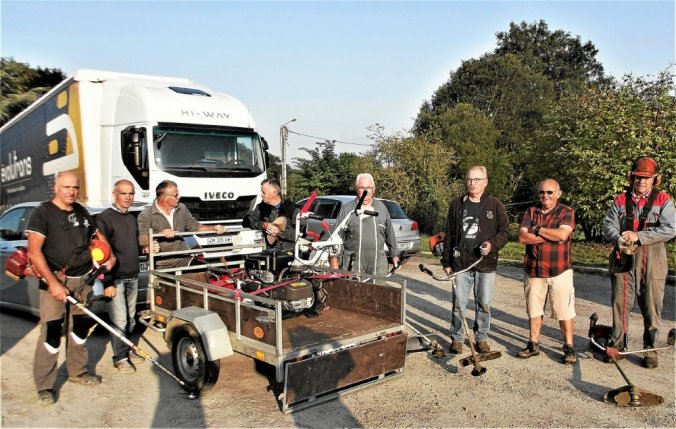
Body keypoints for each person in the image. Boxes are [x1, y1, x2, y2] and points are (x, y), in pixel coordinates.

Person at [26, 171, 117, 406]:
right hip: (56, 280)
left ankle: (78, 372)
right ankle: (45, 386)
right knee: (51, 333)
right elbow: (34, 253)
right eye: (66, 187)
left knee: (79, 329)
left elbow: (97, 235)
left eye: (75, 187)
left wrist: (110, 256)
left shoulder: (81, 212)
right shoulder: (42, 213)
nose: (72, 192)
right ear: (56, 188)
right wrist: (53, 283)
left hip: (83, 280)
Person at [602, 156, 675, 368]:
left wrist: (639, 236)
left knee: (652, 305)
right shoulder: (620, 200)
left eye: (646, 178)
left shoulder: (664, 200)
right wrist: (619, 239)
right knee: (620, 302)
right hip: (623, 254)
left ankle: (650, 350)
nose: (641, 181)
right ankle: (617, 345)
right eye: (638, 177)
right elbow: (608, 225)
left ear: (655, 179)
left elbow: (671, 229)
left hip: (653, 255)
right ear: (631, 178)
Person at [441, 166, 509, 355]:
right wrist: (446, 262)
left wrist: (491, 244)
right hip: (461, 264)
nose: (472, 183)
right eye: (469, 179)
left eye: (477, 179)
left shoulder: (495, 205)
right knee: (458, 304)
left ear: (485, 182)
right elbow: (449, 233)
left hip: (485, 264)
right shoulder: (457, 204)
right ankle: (457, 338)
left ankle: (481, 338)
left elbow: (505, 232)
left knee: (484, 304)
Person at [516, 179, 577, 364]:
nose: (545, 196)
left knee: (564, 311)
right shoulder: (531, 211)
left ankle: (569, 347)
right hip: (533, 269)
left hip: (559, 270)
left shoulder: (566, 211)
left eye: (550, 192)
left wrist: (537, 229)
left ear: (558, 193)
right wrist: (551, 236)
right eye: (542, 192)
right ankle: (533, 344)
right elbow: (522, 238)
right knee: (533, 309)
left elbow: (563, 235)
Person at [96, 179, 145, 374]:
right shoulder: (104, 219)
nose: (128, 197)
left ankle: (127, 349)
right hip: (115, 278)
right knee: (119, 321)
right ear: (114, 195)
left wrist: (146, 247)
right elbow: (101, 254)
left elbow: (134, 245)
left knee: (131, 319)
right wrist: (107, 281)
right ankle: (120, 357)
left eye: (131, 193)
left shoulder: (132, 218)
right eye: (123, 193)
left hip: (133, 275)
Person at [137, 180, 226, 268]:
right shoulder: (145, 215)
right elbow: (143, 238)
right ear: (165, 198)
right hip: (161, 262)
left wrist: (214, 228)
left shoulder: (181, 208)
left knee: (206, 270)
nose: (179, 197)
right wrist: (160, 235)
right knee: (165, 278)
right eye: (176, 195)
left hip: (183, 258)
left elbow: (195, 226)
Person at [329, 173, 400, 276]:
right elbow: (336, 237)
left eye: (369, 188)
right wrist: (334, 261)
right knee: (353, 287)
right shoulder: (347, 209)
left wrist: (395, 256)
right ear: (356, 189)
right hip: (352, 265)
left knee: (378, 286)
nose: (366, 191)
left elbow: (390, 233)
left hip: (378, 265)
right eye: (362, 188)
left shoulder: (381, 208)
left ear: (373, 189)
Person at [243, 178, 300, 250]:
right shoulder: (261, 207)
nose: (261, 195)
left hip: (290, 252)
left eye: (264, 192)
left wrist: (280, 233)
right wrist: (263, 225)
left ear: (274, 193)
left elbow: (301, 234)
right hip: (270, 251)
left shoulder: (293, 209)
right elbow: (247, 221)